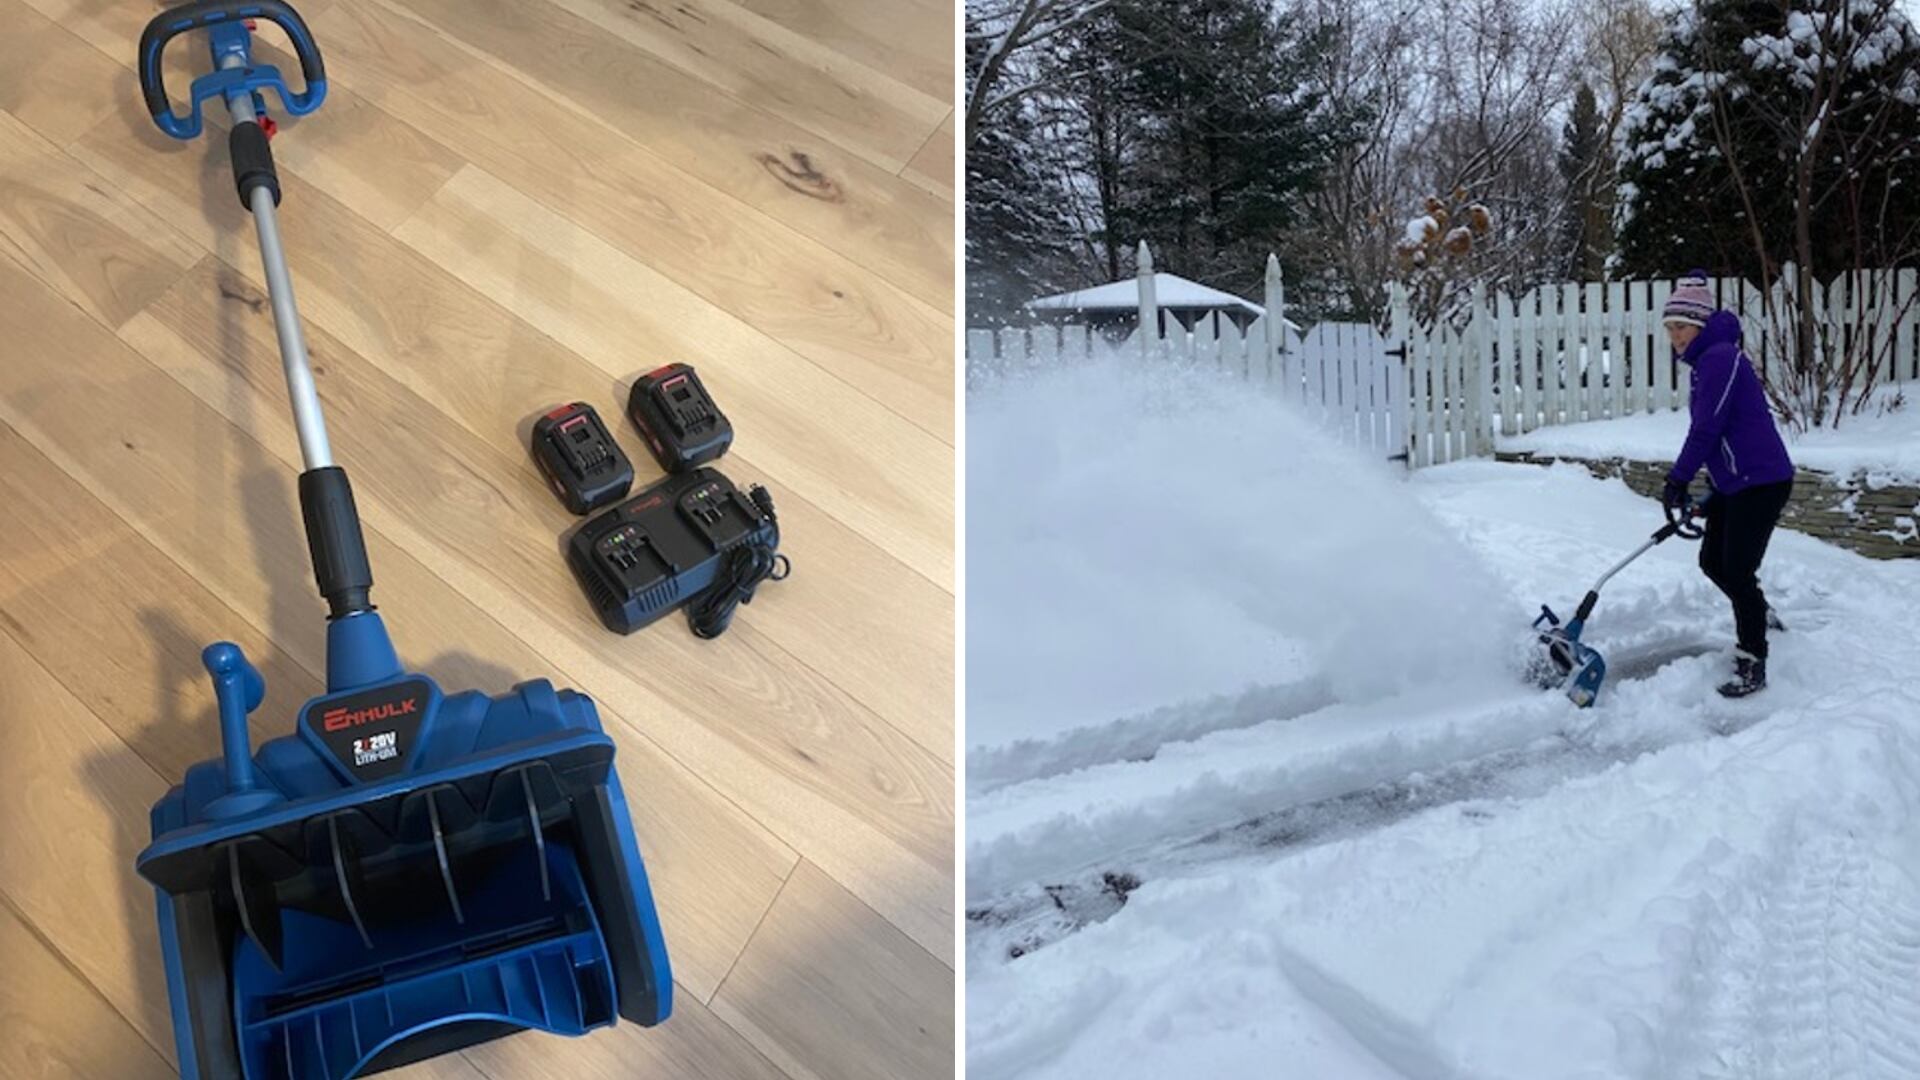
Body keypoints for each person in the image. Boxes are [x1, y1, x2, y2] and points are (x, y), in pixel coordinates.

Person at [1659, 272, 1796, 698]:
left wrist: (1678, 480)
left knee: (1736, 569)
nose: (1674, 336)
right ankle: (1756, 608)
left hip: (1762, 480)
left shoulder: (1719, 358)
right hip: (1738, 482)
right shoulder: (1707, 360)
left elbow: (1707, 429)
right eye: (1669, 328)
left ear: (1700, 324)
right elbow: (1717, 432)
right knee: (1714, 563)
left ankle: (1753, 659)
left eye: (1681, 326)